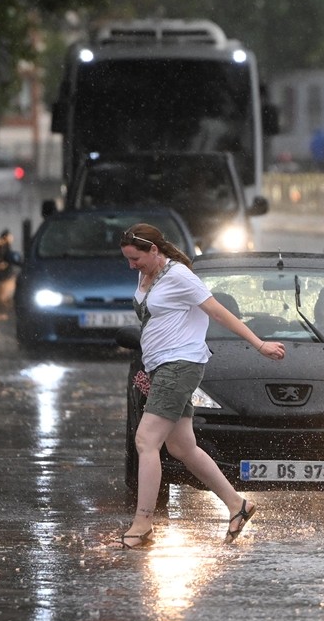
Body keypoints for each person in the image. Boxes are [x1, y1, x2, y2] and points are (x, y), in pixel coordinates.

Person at [117, 223, 286, 549]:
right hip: (161, 366)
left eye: (135, 258)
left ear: (154, 250)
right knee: (181, 447)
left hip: (179, 365)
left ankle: (143, 522)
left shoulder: (179, 276)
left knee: (145, 440)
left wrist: (259, 344)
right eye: (127, 259)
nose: (131, 265)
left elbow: (219, 313)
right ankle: (238, 505)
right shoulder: (147, 273)